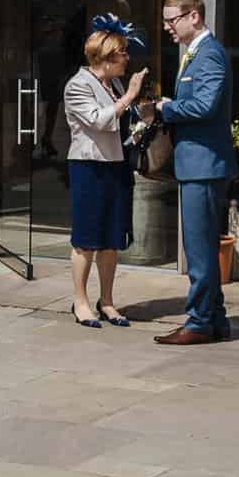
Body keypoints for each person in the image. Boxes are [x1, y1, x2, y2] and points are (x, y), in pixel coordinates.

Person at [149, 0, 234, 346]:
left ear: (194, 16)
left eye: (172, 20)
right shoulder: (196, 54)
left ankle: (199, 322)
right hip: (198, 164)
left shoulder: (209, 54)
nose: (167, 27)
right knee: (201, 247)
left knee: (199, 250)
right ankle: (215, 320)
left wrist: (163, 109)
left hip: (204, 166)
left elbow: (204, 107)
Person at [62, 19, 146, 329]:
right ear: (105, 56)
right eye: (123, 52)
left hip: (116, 164)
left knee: (111, 238)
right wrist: (129, 98)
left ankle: (107, 301)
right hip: (89, 167)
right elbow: (98, 120)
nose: (127, 58)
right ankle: (81, 301)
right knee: (87, 239)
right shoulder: (78, 85)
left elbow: (122, 121)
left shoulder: (116, 84)